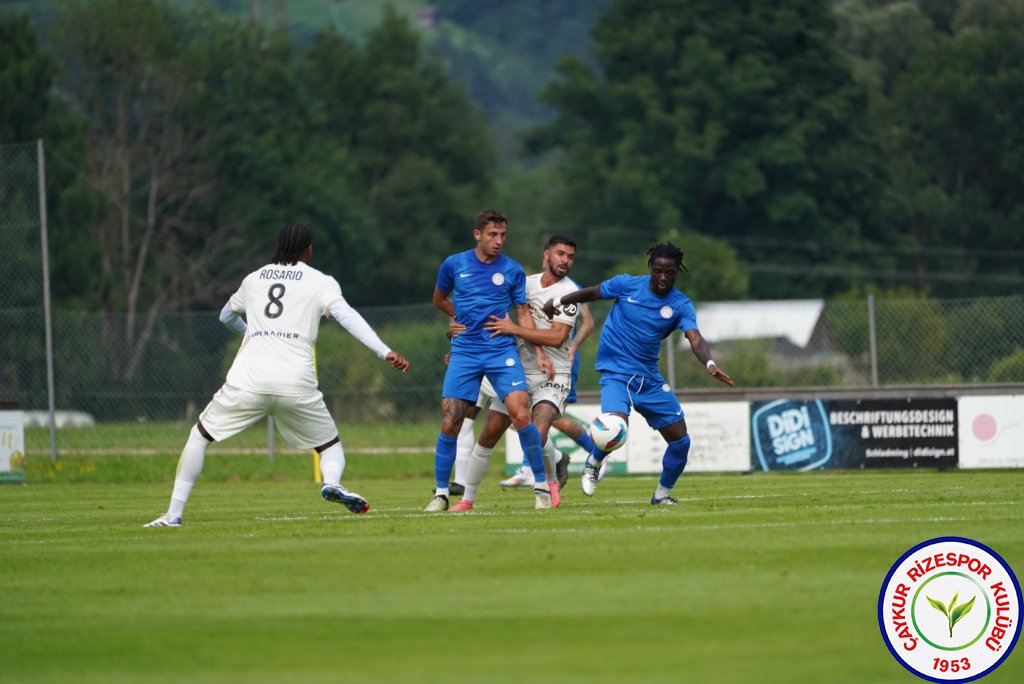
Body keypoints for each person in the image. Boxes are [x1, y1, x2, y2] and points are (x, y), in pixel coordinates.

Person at [144, 223, 410, 527]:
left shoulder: (254, 278)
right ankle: (332, 483)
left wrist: (252, 334)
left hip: (248, 381)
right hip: (295, 383)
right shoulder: (321, 281)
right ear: (308, 249)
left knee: (200, 436)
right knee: (329, 446)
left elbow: (225, 315)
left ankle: (173, 515)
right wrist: (383, 350)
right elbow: (346, 316)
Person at [542, 242, 734, 505]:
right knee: (616, 428)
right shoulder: (627, 285)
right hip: (616, 372)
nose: (663, 277)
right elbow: (592, 293)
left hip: (649, 379)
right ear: (651, 268)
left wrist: (710, 364)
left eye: (670, 273)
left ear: (677, 272)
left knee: (681, 442)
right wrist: (559, 301)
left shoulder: (680, 304)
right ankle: (594, 461)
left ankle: (661, 496)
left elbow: (695, 338)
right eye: (658, 271)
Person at [426, 209, 551, 512]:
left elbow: (522, 312)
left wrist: (538, 351)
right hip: (465, 351)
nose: (499, 241)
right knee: (450, 420)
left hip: (500, 351)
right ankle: (442, 495)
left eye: (503, 235)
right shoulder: (454, 265)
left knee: (521, 414)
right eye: (493, 235)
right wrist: (456, 317)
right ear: (477, 234)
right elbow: (439, 298)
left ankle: (542, 487)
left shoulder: (512, 270)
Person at [449, 235, 582, 511]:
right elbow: (486, 311)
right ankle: (467, 500)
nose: (565, 261)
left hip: (553, 374)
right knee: (487, 436)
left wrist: (514, 330)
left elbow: (557, 338)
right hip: (516, 371)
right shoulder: (525, 282)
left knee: (538, 428)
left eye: (570, 257)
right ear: (546, 254)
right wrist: (459, 341)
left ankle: (544, 488)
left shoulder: (569, 294)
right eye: (560, 254)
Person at [499, 301, 595, 489]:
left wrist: (574, 346)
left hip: (560, 364)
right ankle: (569, 456)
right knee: (529, 418)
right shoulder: (530, 286)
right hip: (532, 363)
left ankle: (595, 455)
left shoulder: (571, 289)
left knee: (547, 419)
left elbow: (589, 323)